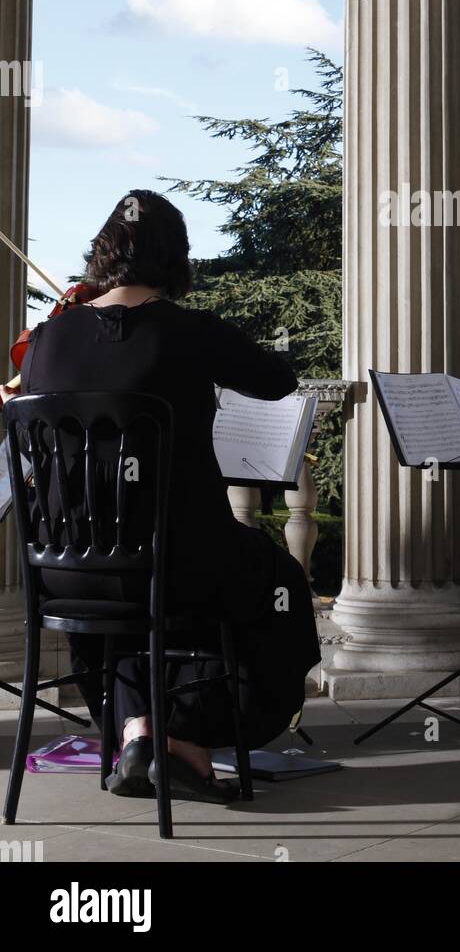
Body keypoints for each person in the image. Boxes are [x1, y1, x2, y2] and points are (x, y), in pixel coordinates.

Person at [3, 191, 320, 803]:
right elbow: (278, 380)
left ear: (101, 255)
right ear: (178, 259)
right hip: (181, 562)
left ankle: (139, 731)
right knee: (276, 579)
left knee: (131, 606)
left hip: (67, 575)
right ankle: (189, 736)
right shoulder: (191, 331)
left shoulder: (45, 341)